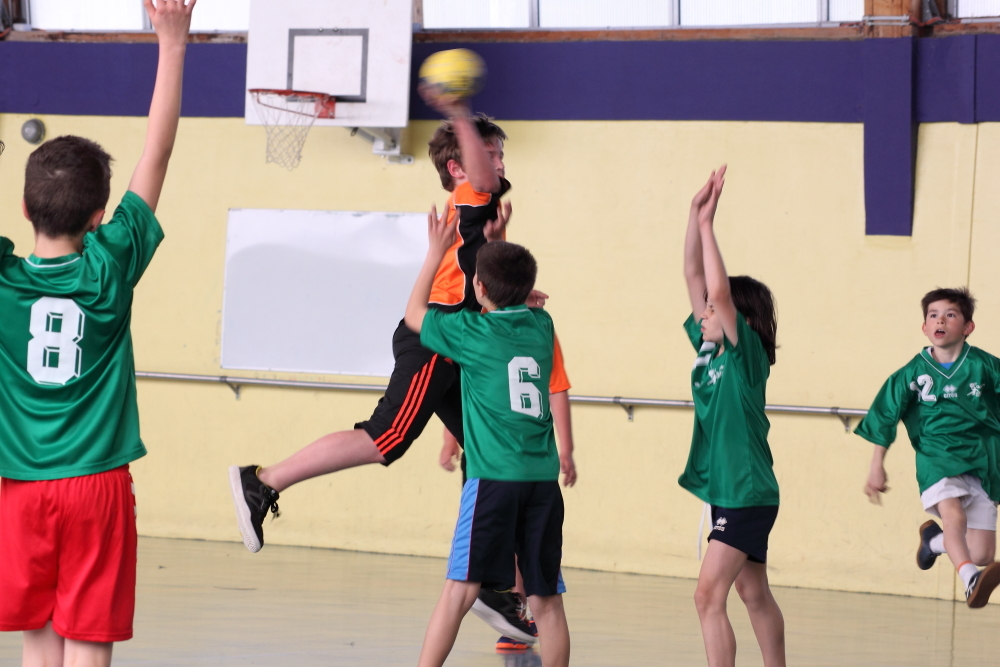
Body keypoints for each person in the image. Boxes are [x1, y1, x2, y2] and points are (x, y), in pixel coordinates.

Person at [229, 95, 555, 637]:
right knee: (387, 437)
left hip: (457, 343)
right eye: (492, 153)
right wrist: (458, 110)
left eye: (499, 155)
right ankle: (262, 482)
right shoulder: (471, 194)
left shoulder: (479, 218)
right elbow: (478, 182)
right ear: (460, 167)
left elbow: (482, 284)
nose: (499, 164)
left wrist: (515, 288)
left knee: (491, 456)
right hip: (435, 341)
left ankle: (497, 586)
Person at [0, 2, 195, 665]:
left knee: (38, 641)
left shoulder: (4, 282)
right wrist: (172, 44)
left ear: (24, 207)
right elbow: (156, 154)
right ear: (99, 216)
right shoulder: (109, 267)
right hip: (96, 486)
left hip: (22, 486)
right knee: (89, 641)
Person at [404, 206, 570, 667]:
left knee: (458, 592)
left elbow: (415, 314)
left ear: (477, 286)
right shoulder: (542, 326)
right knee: (547, 601)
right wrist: (505, 263)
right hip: (542, 483)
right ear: (527, 287)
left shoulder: (470, 333)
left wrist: (435, 252)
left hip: (494, 482)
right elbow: (511, 301)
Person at [680, 166, 785, 667]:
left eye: (712, 310)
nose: (703, 312)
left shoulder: (747, 359)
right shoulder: (709, 353)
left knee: (708, 596)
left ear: (736, 319)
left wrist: (709, 228)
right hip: (730, 492)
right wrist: (694, 214)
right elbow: (695, 278)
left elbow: (718, 294)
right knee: (753, 592)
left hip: (746, 493)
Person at [856, 287, 1000, 608]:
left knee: (982, 553)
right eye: (933, 315)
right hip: (937, 457)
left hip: (983, 459)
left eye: (950, 315)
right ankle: (970, 580)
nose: (940, 320)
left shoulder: (986, 366)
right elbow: (884, 415)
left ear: (968, 327)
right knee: (954, 518)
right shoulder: (912, 372)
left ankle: (933, 543)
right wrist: (877, 464)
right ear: (924, 327)